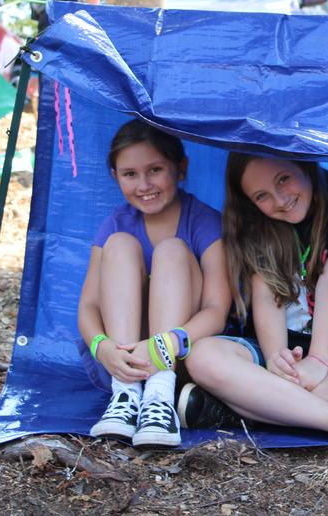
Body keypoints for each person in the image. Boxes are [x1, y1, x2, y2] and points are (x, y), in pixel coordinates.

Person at [179, 154, 328, 446]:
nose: (279, 200)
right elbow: (266, 293)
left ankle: (240, 410)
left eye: (283, 179)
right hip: (269, 360)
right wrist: (278, 359)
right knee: (202, 355)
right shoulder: (257, 223)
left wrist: (317, 361)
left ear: (304, 164)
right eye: (262, 195)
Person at [77, 119, 230, 448]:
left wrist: (164, 347)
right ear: (115, 177)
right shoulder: (115, 224)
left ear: (180, 168)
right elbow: (88, 306)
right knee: (119, 244)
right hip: (121, 361)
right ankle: (126, 398)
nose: (144, 184)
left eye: (155, 169)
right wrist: (102, 347)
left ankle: (159, 398)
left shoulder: (204, 222)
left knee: (173, 250)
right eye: (130, 174)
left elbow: (218, 310)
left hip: (181, 362)